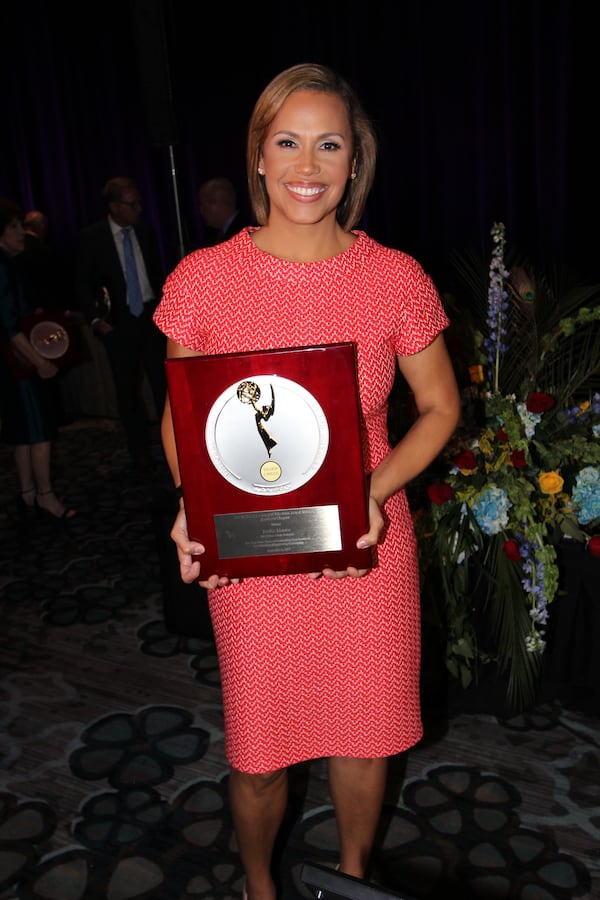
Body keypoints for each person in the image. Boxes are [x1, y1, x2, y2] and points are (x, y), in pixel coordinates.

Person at [154, 64, 461, 900]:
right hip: (251, 549)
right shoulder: (203, 279)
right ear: (258, 156)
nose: (308, 164)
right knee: (260, 754)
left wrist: (374, 485)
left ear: (356, 162)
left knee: (364, 744)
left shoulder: (395, 277)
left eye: (331, 144)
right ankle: (260, 889)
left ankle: (352, 883)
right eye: (287, 141)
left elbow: (438, 408)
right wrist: (195, 505)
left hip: (366, 537)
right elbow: (182, 423)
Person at [74, 176, 167, 471]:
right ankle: (139, 450)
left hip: (151, 319)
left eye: (139, 202)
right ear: (113, 206)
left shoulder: (146, 231)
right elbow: (81, 283)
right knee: (127, 393)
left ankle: (173, 448)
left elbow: (157, 273)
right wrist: (96, 319)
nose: (139, 209)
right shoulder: (92, 237)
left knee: (164, 388)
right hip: (119, 324)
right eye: (131, 204)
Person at [0, 197, 76, 523]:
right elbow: (8, 327)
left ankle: (28, 494)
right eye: (15, 227)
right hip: (19, 365)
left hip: (9, 365)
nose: (22, 232)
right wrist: (40, 362)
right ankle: (45, 496)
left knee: (22, 433)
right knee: (41, 433)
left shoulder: (8, 264)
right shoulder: (3, 267)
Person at [197, 176, 247, 245]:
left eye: (203, 205)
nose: (201, 211)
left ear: (214, 203)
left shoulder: (240, 234)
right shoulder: (222, 234)